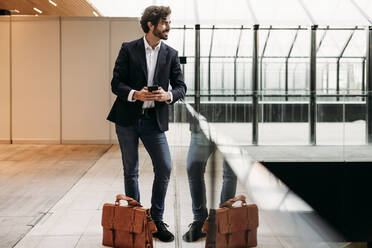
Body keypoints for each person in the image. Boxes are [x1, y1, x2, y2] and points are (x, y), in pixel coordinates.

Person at [107, 5, 186, 242]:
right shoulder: (128, 48)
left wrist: (167, 95)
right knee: (131, 171)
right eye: (165, 22)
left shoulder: (171, 54)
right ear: (151, 24)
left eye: (169, 22)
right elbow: (115, 83)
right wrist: (135, 94)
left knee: (165, 167)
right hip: (127, 120)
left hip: (154, 121)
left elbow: (182, 87)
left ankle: (157, 219)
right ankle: (136, 219)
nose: (168, 27)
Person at [182, 126, 238, 242]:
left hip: (233, 124)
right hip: (203, 123)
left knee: (230, 172)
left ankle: (223, 220)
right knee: (193, 167)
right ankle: (199, 220)